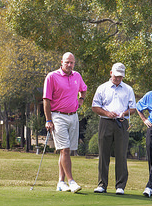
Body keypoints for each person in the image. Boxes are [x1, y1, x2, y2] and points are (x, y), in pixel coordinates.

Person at [43, 52, 87, 193]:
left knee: (67, 150)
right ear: (61, 62)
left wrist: (81, 100)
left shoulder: (77, 76)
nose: (69, 65)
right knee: (65, 150)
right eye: (67, 62)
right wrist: (48, 119)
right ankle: (71, 181)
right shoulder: (52, 76)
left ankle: (60, 182)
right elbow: (46, 100)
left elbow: (83, 90)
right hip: (58, 116)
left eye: (72, 62)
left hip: (73, 116)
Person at [91, 62, 137, 195]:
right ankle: (102, 184)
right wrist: (106, 113)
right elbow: (95, 107)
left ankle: (120, 186)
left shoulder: (128, 89)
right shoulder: (102, 88)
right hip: (105, 122)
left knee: (121, 154)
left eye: (120, 77)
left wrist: (124, 113)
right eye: (116, 76)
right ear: (111, 73)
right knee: (103, 154)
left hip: (122, 123)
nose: (118, 79)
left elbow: (133, 108)